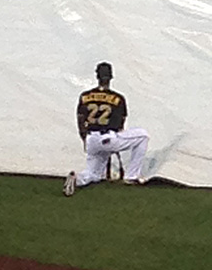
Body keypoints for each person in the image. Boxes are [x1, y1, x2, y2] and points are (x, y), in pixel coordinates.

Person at [64, 62, 149, 196]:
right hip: (109, 138)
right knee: (143, 136)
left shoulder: (85, 96)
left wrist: (84, 138)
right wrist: (115, 144)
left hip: (91, 138)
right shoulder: (118, 98)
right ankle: (131, 176)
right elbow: (120, 125)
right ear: (110, 77)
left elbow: (80, 119)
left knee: (94, 174)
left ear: (97, 76)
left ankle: (77, 179)